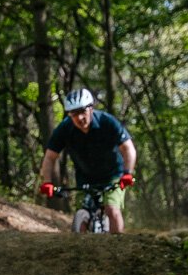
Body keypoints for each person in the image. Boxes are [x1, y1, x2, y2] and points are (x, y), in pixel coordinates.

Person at [36, 88, 136, 233]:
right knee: (81, 214)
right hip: (85, 178)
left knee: (111, 209)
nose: (79, 118)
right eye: (74, 114)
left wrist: (128, 173)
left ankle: (118, 248)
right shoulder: (65, 129)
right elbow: (50, 157)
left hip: (113, 175)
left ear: (91, 108)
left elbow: (129, 149)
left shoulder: (107, 122)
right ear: (69, 114)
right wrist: (47, 182)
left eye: (83, 111)